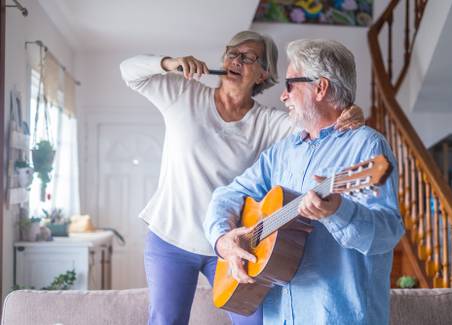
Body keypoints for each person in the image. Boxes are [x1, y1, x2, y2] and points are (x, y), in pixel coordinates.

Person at [120, 31, 364, 325]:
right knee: (165, 321)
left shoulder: (268, 122)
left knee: (256, 322)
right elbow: (129, 71)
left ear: (263, 74)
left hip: (232, 242)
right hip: (171, 238)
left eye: (248, 57)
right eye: (232, 53)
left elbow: (317, 121)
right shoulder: (184, 94)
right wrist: (169, 63)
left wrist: (349, 111)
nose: (235, 60)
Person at [205, 39, 405, 325]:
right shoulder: (282, 152)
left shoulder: (367, 145)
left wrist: (338, 211)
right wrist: (222, 240)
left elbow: (387, 233)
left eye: (289, 86)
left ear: (320, 88)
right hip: (281, 317)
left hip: (339, 316)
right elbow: (227, 195)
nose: (283, 97)